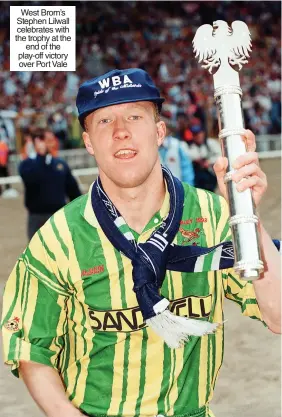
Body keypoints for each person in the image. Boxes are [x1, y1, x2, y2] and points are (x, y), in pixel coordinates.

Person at [1, 68, 280, 417]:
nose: (120, 132)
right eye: (104, 121)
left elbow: (278, 315)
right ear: (88, 142)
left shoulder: (213, 215)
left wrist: (246, 214)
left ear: (159, 130)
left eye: (134, 116)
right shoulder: (58, 238)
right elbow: (30, 348)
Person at [18, 128, 81, 241]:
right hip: (36, 217)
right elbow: (29, 180)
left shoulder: (60, 165)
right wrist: (40, 156)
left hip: (59, 216)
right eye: (44, 139)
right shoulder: (26, 165)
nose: (50, 143)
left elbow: (73, 191)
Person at [187, 125, 221, 192]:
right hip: (198, 179)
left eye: (199, 133)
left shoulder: (210, 143)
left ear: (203, 133)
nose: (197, 136)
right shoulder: (191, 146)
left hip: (212, 175)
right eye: (195, 134)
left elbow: (220, 155)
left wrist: (209, 162)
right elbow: (189, 156)